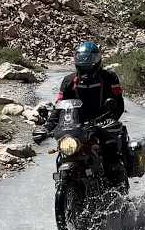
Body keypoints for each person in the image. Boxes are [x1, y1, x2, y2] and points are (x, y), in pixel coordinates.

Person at [33, 41, 128, 188]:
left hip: (103, 123)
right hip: (75, 126)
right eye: (82, 59)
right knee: (63, 153)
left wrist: (109, 119)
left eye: (90, 60)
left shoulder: (109, 78)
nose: (86, 63)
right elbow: (59, 107)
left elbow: (118, 105)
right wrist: (47, 127)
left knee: (112, 157)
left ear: (97, 60)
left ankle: (118, 193)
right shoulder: (68, 81)